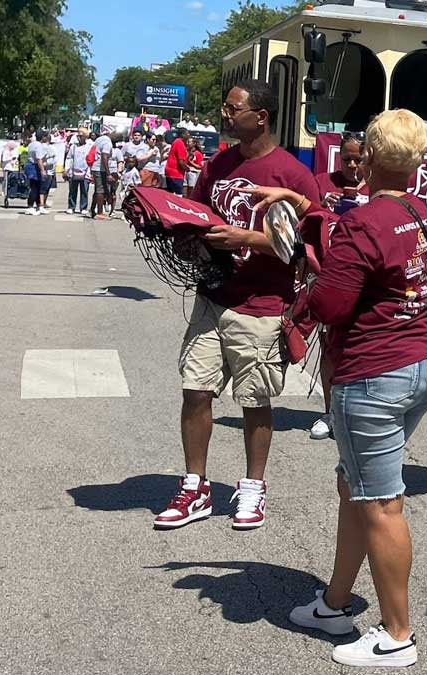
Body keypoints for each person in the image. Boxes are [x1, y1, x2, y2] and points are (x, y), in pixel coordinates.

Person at [244, 109, 427, 668]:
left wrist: (306, 289)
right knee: (354, 485)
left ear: (370, 158)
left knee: (380, 501)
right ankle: (335, 601)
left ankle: (397, 634)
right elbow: (362, 243)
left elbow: (332, 303)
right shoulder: (415, 210)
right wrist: (309, 210)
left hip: (375, 371)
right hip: (422, 360)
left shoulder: (365, 223)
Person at [151, 79, 321, 531]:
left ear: (260, 117)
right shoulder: (218, 165)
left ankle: (252, 488)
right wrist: (177, 231)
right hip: (213, 297)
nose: (224, 115)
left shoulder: (294, 176)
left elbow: (310, 250)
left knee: (255, 400)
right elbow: (195, 213)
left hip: (262, 304)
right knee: (195, 390)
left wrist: (248, 239)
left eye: (232, 109)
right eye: (225, 107)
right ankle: (196, 487)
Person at [309, 132, 370, 442]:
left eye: (359, 159)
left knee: (361, 348)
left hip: (367, 280)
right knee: (329, 346)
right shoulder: (322, 181)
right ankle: (329, 411)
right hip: (329, 275)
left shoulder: (378, 187)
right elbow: (301, 219)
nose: (352, 165)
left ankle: (358, 413)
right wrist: (321, 204)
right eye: (346, 158)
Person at [64, 129, 93, 215]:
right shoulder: (73, 147)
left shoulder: (89, 146)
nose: (79, 138)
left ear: (85, 137)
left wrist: (90, 172)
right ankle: (71, 207)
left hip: (85, 172)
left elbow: (91, 159)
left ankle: (83, 207)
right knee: (72, 191)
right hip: (74, 172)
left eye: (81, 136)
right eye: (78, 136)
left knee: (84, 191)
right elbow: (69, 158)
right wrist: (66, 169)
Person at [89, 130, 114, 220]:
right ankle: (99, 213)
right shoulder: (108, 143)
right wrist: (108, 173)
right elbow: (104, 157)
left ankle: (92, 210)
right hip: (100, 169)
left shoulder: (99, 139)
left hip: (95, 167)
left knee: (97, 190)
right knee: (101, 190)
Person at [24, 130, 50, 215]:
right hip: (34, 167)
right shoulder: (39, 145)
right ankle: (30, 207)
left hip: (30, 165)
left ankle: (39, 206)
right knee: (34, 187)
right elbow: (39, 159)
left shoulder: (32, 144)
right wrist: (43, 170)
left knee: (38, 187)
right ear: (43, 137)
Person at [164, 127, 193, 195]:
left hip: (170, 172)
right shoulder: (180, 144)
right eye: (187, 133)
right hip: (176, 173)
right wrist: (188, 169)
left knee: (170, 194)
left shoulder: (176, 142)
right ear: (183, 135)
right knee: (178, 195)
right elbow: (181, 162)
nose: (189, 135)